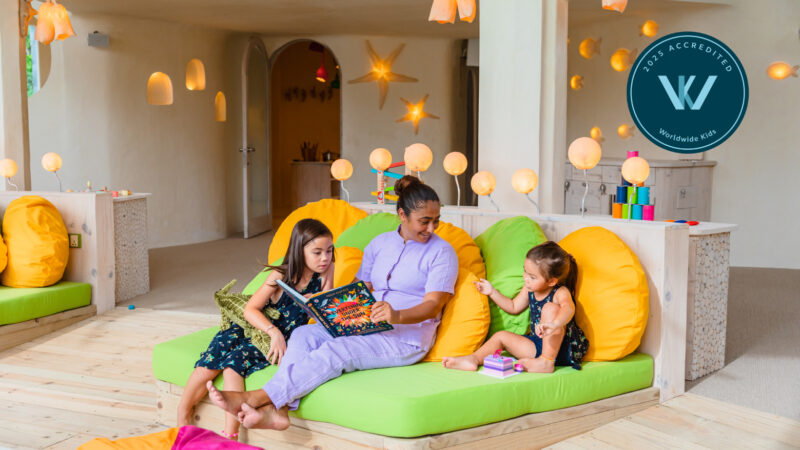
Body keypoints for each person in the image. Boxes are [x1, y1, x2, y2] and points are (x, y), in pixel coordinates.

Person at [205, 175, 459, 431]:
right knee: (303, 334)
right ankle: (278, 411)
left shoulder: (442, 252)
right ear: (402, 215)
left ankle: (256, 398)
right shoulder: (379, 244)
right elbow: (362, 290)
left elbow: (434, 304)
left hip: (406, 337)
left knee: (337, 350)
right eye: (424, 221)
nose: (432, 229)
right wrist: (330, 305)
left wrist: (397, 315)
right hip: (366, 324)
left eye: (436, 221)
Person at [176, 218, 334, 439]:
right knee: (213, 358)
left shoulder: (326, 272)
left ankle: (229, 436)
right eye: (317, 252)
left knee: (234, 364)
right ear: (299, 251)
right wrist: (273, 332)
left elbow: (325, 309)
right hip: (259, 326)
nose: (325, 258)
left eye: (329, 251)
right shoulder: (280, 275)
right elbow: (251, 310)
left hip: (279, 339)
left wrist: (316, 303)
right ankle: (182, 415)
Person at [443, 241, 588, 373]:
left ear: (551, 281)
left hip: (564, 348)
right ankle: (473, 359)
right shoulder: (530, 288)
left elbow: (568, 309)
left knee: (550, 308)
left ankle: (546, 362)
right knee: (501, 336)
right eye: (525, 271)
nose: (526, 278)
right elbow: (513, 307)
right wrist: (492, 292)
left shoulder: (560, 292)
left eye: (532, 277)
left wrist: (554, 324)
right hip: (538, 345)